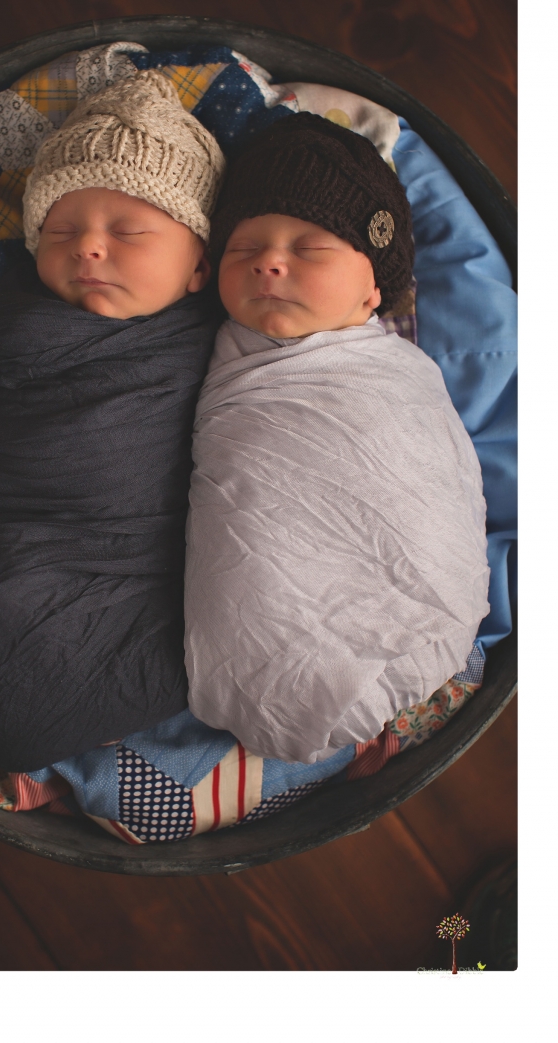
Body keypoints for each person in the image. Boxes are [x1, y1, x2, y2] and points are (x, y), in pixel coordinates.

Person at [0, 70, 225, 772]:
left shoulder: (224, 344)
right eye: (60, 230)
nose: (87, 246)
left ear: (201, 264)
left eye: (129, 230)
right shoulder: (4, 331)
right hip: (3, 564)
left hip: (131, 573)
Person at [184, 111, 491, 764]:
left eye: (310, 248)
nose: (269, 262)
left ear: (372, 292)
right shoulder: (220, 357)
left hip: (420, 613)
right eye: (244, 249)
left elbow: (430, 474)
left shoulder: (392, 373)